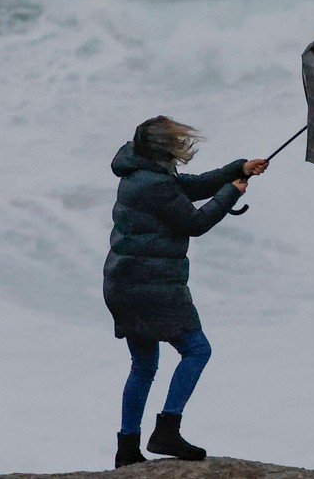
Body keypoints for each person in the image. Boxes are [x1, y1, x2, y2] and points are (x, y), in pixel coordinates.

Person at [103, 115, 268, 468]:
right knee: (197, 349)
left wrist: (239, 168)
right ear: (164, 148)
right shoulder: (154, 183)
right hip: (151, 285)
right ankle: (167, 430)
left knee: (144, 364)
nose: (181, 149)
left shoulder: (140, 171)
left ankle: (127, 447)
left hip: (125, 282)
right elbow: (194, 222)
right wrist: (231, 192)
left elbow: (189, 187)